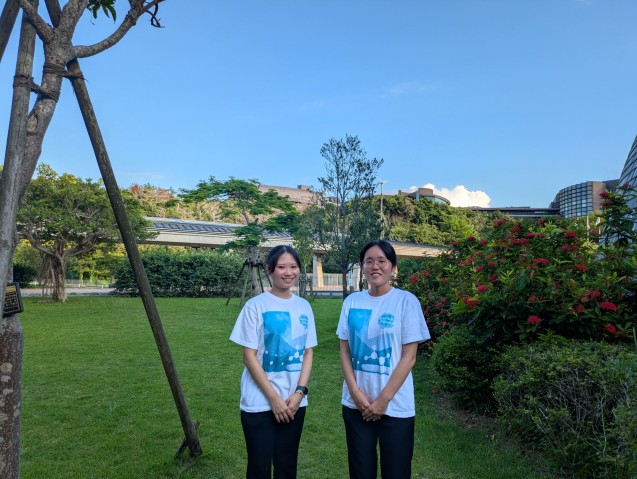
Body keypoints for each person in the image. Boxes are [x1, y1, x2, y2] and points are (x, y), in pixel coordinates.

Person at [336, 239, 430, 479]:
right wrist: (356, 394)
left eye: (382, 261)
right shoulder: (352, 302)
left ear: (393, 267)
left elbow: (409, 357)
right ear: (362, 267)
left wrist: (382, 400)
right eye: (369, 261)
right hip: (356, 405)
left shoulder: (406, 301)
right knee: (360, 472)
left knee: (396, 472)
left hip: (395, 406)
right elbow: (345, 351)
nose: (375, 266)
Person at [230, 245, 317, 479]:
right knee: (259, 468)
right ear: (269, 269)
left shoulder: (304, 306)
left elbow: (308, 351)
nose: (288, 272)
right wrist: (274, 400)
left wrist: (300, 392)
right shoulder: (255, 306)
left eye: (293, 266)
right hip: (259, 403)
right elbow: (249, 356)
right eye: (281, 267)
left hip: (294, 402)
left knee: (287, 466)